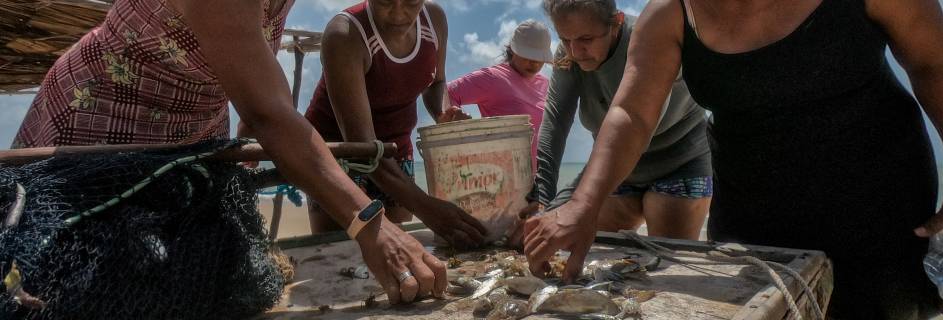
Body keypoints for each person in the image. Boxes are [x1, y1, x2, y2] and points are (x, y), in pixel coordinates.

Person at [523, 0, 943, 318]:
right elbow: (631, 112)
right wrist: (582, 204)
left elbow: (937, 65)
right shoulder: (671, 13)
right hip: (752, 208)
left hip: (877, 201)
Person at [11, 0, 444, 304]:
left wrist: (246, 143)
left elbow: (255, 77)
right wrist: (370, 223)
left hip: (197, 134)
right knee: (91, 281)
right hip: (102, 123)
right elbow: (271, 111)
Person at [517, 0, 712, 246]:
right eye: (565, 40)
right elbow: (555, 121)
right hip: (616, 172)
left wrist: (564, 203)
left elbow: (635, 126)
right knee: (589, 251)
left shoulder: (650, 37)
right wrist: (543, 201)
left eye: (586, 39)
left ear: (617, 22)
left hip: (679, 162)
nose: (575, 52)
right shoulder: (568, 56)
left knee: (664, 259)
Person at [303, 0, 488, 249]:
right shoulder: (344, 35)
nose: (399, 13)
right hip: (340, 155)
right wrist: (427, 209)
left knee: (398, 247)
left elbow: (437, 82)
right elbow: (364, 147)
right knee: (339, 252)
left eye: (411, 2)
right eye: (386, 2)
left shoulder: (434, 21)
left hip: (395, 150)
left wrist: (443, 114)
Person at [447, 20, 553, 171]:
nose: (534, 63)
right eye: (528, 56)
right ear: (514, 49)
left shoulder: (546, 85)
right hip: (498, 178)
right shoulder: (493, 78)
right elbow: (447, 92)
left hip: (539, 181)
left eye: (539, 58)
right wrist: (458, 125)